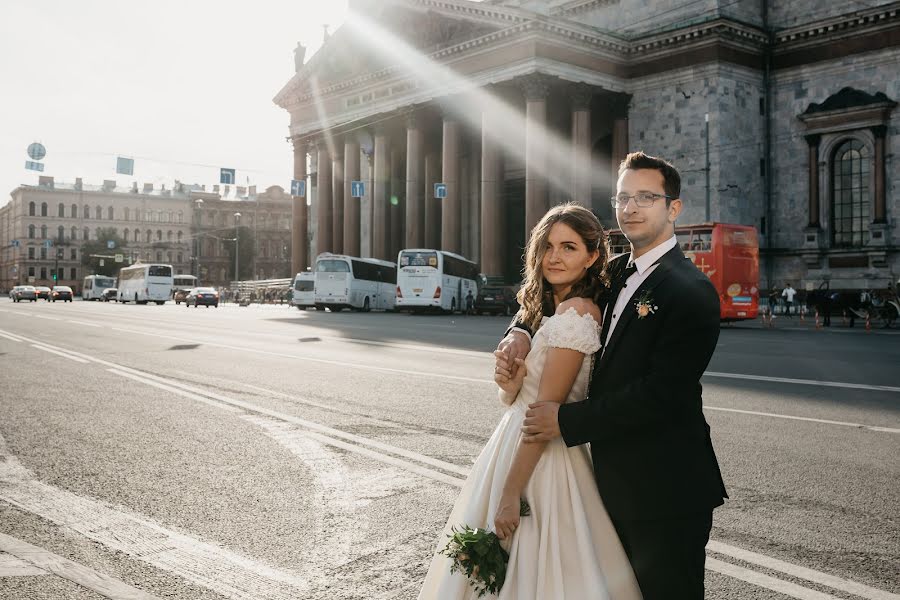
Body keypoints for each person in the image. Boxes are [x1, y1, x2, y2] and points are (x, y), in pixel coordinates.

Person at [497, 152, 727, 599]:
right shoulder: (615, 271)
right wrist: (518, 331)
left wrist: (565, 421)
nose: (632, 207)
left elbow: (662, 394)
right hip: (609, 486)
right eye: (624, 197)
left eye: (646, 197)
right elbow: (550, 302)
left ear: (673, 208)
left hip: (665, 490)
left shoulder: (691, 291)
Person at [418, 203, 640, 600]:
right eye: (548, 246)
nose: (554, 257)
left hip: (538, 460)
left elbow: (543, 415)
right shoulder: (546, 309)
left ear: (592, 257)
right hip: (512, 445)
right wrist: (510, 377)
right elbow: (514, 399)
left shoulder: (576, 314)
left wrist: (509, 494)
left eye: (569, 247)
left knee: (540, 566)